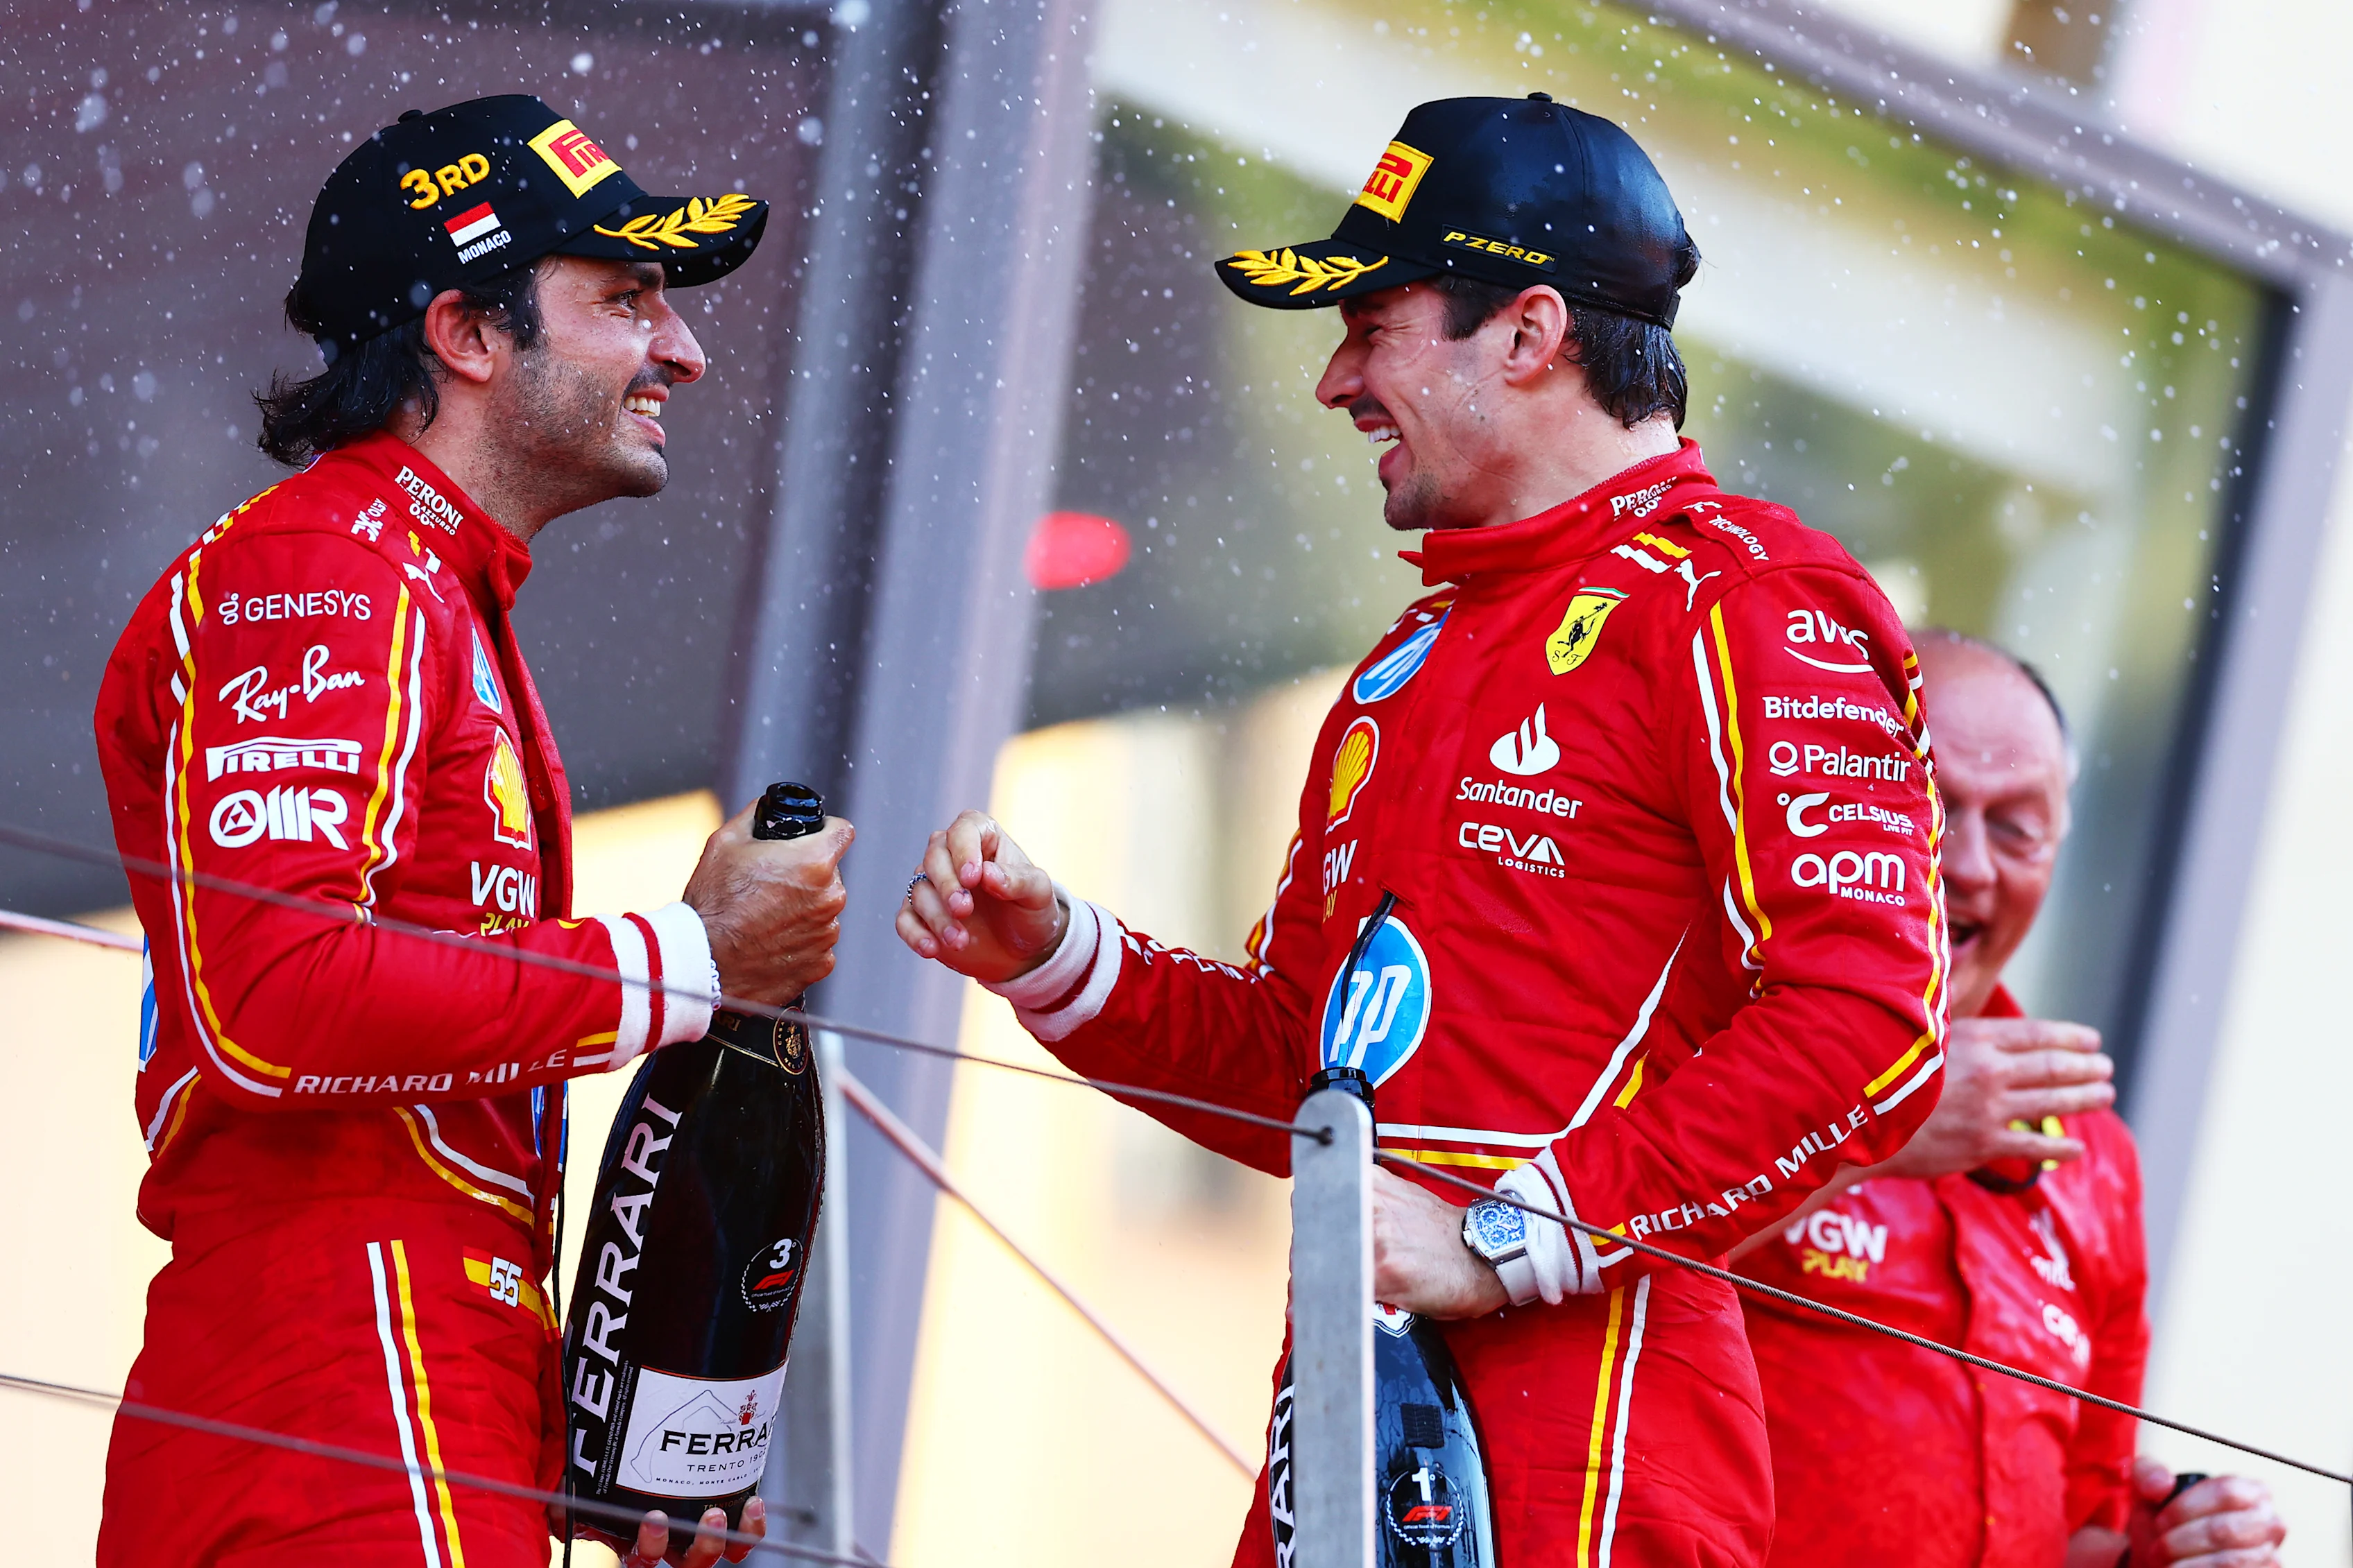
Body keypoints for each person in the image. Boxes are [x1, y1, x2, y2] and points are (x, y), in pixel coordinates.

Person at [898, 95, 1948, 1566]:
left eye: (1373, 323)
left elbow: (1869, 1020)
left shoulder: (1749, 599)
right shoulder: (1412, 655)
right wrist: (1059, 954)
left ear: (1525, 335)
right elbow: (1305, 1066)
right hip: (1346, 1445)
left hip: (1591, 1461)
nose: (1333, 380)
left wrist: (1512, 1235)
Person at [92, 96, 853, 1568]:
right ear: (467, 333)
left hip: (410, 1376)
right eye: (626, 300)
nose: (681, 351)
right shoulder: (327, 562)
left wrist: (562, 1415)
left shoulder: (429, 583)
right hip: (338, 1379)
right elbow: (273, 998)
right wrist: (691, 958)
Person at [1731, 631, 2286, 1567]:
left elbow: (2079, 1529)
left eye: (2019, 825)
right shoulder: (1685, 1050)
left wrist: (2162, 1552)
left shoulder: (2091, 1152)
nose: (1971, 867)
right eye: (1927, 808)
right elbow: (1564, 1298)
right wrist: (1876, 1125)